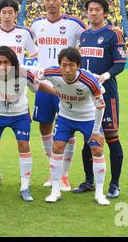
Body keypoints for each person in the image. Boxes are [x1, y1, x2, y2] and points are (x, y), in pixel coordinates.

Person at [0, 46, 56, 201]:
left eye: (7, 62)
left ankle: (25, 188)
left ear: (14, 63)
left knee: (24, 146)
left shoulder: (25, 74)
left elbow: (38, 86)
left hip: (20, 115)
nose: (3, 66)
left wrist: (57, 92)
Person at [30, 0, 86, 190]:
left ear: (62, 0)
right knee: (44, 125)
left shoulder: (74, 24)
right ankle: (53, 169)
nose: (51, 3)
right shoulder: (36, 25)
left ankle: (64, 175)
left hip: (67, 85)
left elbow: (88, 43)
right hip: (44, 84)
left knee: (67, 129)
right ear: (43, 1)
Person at [0, 0, 38, 186]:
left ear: (16, 14)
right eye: (4, 12)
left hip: (18, 86)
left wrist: (30, 73)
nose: (7, 15)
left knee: (22, 133)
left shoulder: (25, 33)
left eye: (11, 12)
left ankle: (24, 179)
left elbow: (34, 54)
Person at [39, 47, 110, 206]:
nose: (67, 69)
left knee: (97, 149)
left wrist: (96, 131)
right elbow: (34, 74)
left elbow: (100, 106)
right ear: (59, 65)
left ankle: (99, 193)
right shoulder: (52, 73)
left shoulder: (89, 81)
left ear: (78, 65)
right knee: (57, 147)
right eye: (64, 65)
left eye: (71, 65)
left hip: (88, 117)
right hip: (65, 117)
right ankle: (55, 190)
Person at [74, 0, 127, 199]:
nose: (93, 13)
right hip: (85, 95)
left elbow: (120, 63)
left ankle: (114, 184)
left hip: (107, 94)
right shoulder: (85, 35)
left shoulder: (114, 33)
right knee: (89, 139)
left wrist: (104, 76)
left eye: (97, 9)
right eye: (90, 9)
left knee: (111, 138)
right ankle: (89, 181)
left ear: (104, 12)